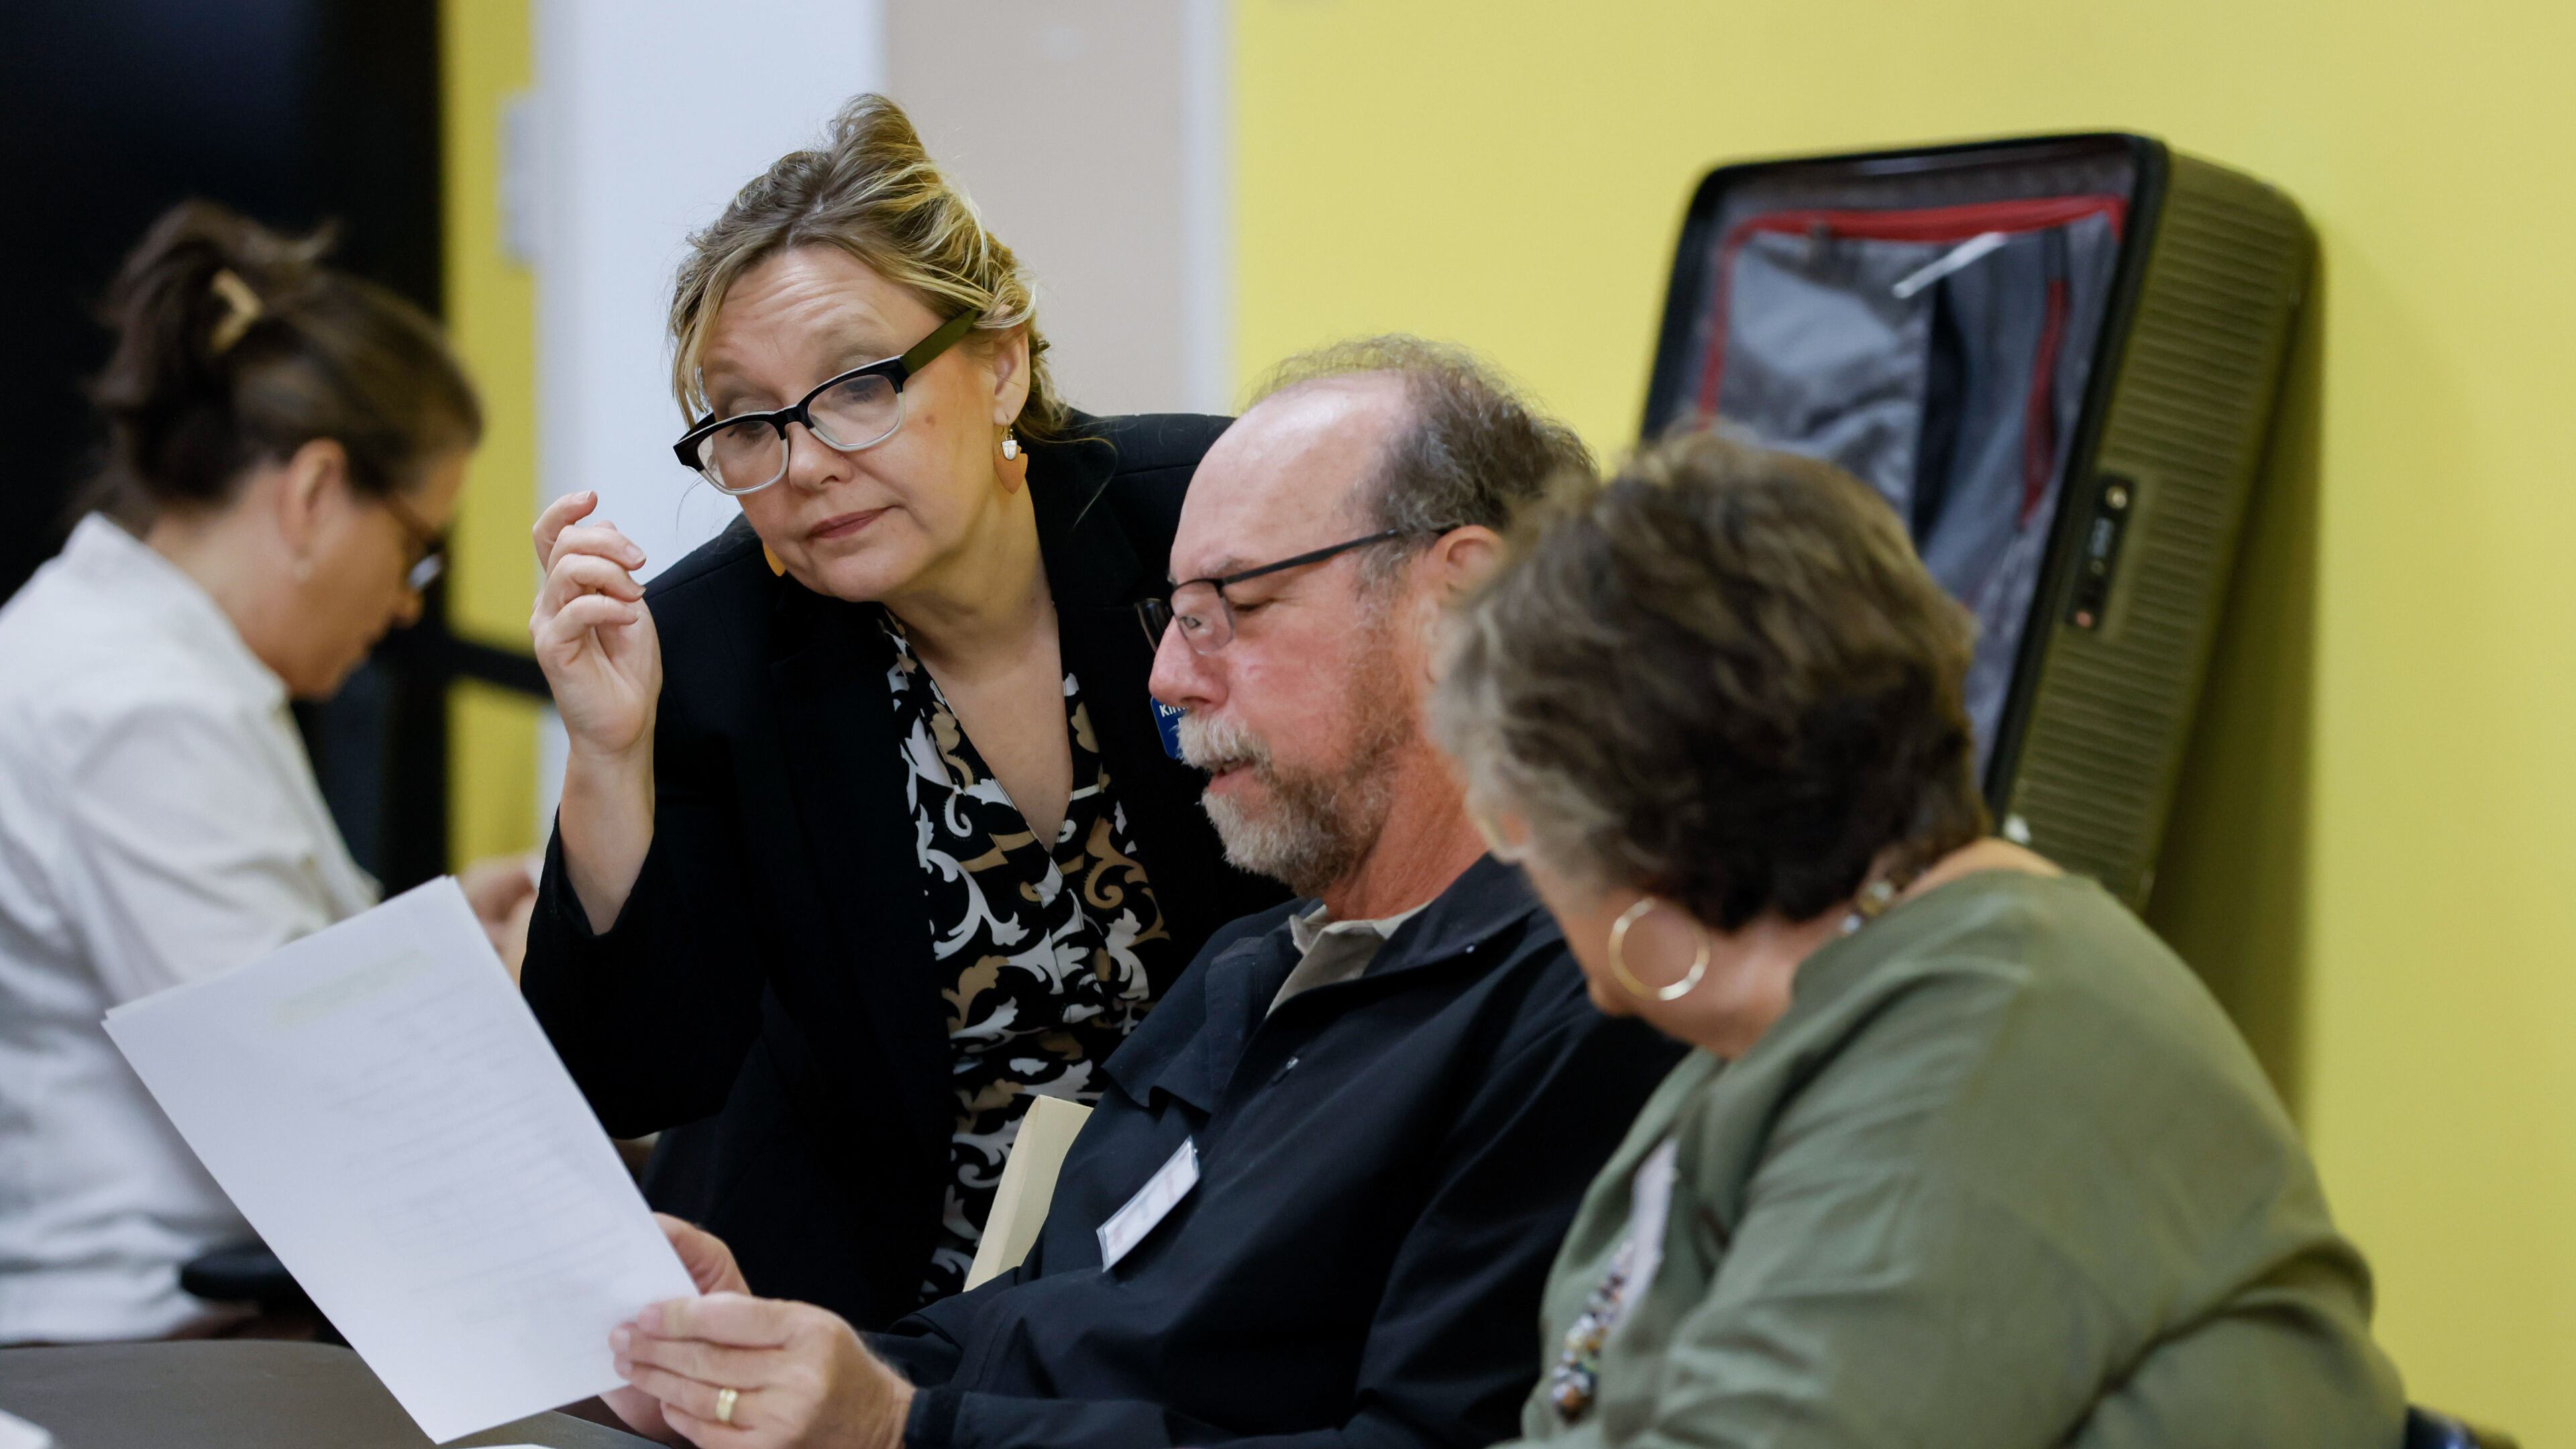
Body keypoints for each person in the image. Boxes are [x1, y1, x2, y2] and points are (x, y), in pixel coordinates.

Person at [598, 337, 1685, 1449]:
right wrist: (754, 1357)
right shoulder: (1249, 970)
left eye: (1237, 608)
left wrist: (897, 1431)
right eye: (1177, 613)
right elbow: (1031, 1329)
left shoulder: (1584, 1003)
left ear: (1457, 602)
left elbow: (1419, 1440)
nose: (1167, 677)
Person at [1428, 433, 2406, 1446]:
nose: (1518, 862)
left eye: (1515, 819)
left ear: (1641, 839)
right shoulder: (1828, 1012)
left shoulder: (1997, 1034)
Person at [519, 92, 1285, 1328]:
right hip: (876, 1300)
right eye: (747, 422)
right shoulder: (706, 651)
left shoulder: (1207, 525)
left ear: (999, 362)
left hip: (1231, 1251)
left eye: (857, 387)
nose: (805, 460)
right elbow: (635, 1075)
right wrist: (610, 756)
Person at [0, 201, 533, 1344]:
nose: (403, 603)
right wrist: (500, 989)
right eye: (415, 548)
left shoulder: (160, 666)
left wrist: (429, 932)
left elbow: (258, 979)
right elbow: (318, 1096)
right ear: (310, 494)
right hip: (134, 1352)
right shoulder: (133, 707)